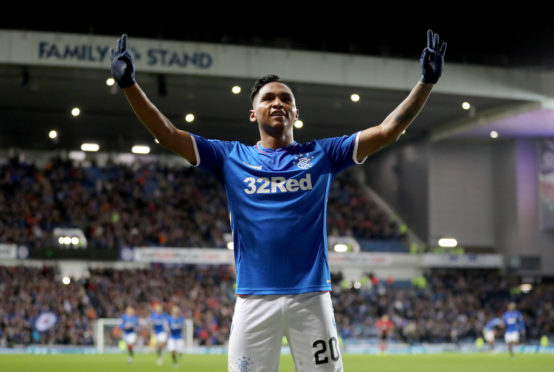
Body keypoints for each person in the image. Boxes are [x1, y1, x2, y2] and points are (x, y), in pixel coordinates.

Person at [109, 30, 446, 372]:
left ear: (296, 113)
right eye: (268, 98)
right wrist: (130, 87)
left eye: (285, 99)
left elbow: (389, 131)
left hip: (312, 299)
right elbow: (166, 134)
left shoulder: (323, 154)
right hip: (253, 301)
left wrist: (426, 83)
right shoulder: (230, 157)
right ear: (253, 114)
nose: (278, 103)